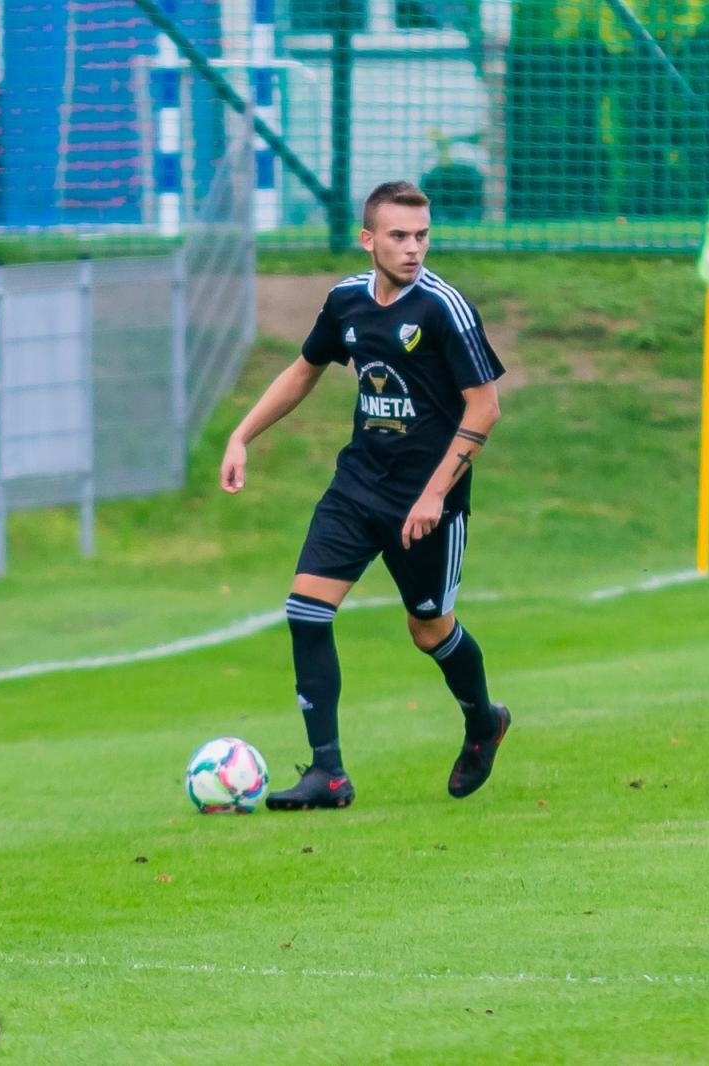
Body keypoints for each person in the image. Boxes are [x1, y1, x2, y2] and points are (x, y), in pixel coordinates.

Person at [220, 180, 510, 809]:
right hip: (357, 487)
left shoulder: (443, 308)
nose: (413, 248)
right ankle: (328, 774)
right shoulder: (347, 301)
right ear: (368, 238)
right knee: (306, 611)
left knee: (429, 630)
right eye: (400, 236)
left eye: (423, 235)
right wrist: (242, 435)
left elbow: (484, 407)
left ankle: (483, 723)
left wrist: (435, 495)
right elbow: (304, 370)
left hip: (426, 503)